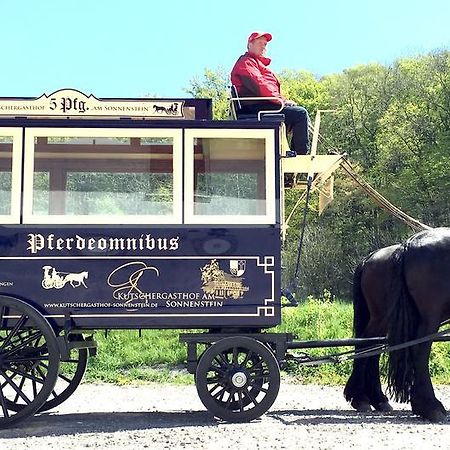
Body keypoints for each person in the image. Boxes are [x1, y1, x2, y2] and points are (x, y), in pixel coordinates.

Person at [231, 31, 310, 155]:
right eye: (260, 43)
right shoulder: (246, 62)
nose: (263, 47)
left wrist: (281, 101)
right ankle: (300, 157)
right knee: (300, 114)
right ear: (250, 44)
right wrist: (282, 102)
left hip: (263, 105)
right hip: (255, 108)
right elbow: (260, 84)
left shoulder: (256, 64)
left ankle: (294, 155)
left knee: (298, 114)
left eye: (265, 44)